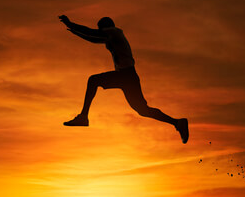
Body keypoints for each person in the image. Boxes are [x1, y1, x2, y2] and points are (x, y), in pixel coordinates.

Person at [59, 15, 189, 144]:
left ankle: (83, 117)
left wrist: (70, 24)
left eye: (101, 29)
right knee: (143, 110)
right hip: (128, 77)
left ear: (105, 27)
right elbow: (93, 38)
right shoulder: (112, 36)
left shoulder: (114, 32)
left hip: (125, 75)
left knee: (93, 80)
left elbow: (92, 33)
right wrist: (75, 32)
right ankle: (177, 122)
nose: (101, 32)